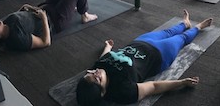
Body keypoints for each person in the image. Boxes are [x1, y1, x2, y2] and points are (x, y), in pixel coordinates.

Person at [76, 10, 211, 105]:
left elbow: (103, 59)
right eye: (97, 78)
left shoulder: (96, 70)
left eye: (92, 72)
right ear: (103, 92)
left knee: (167, 32)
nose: (96, 71)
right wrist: (181, 83)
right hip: (159, 55)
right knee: (181, 38)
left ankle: (184, 24)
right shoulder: (123, 91)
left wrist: (108, 48)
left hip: (140, 42)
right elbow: (152, 87)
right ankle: (199, 27)